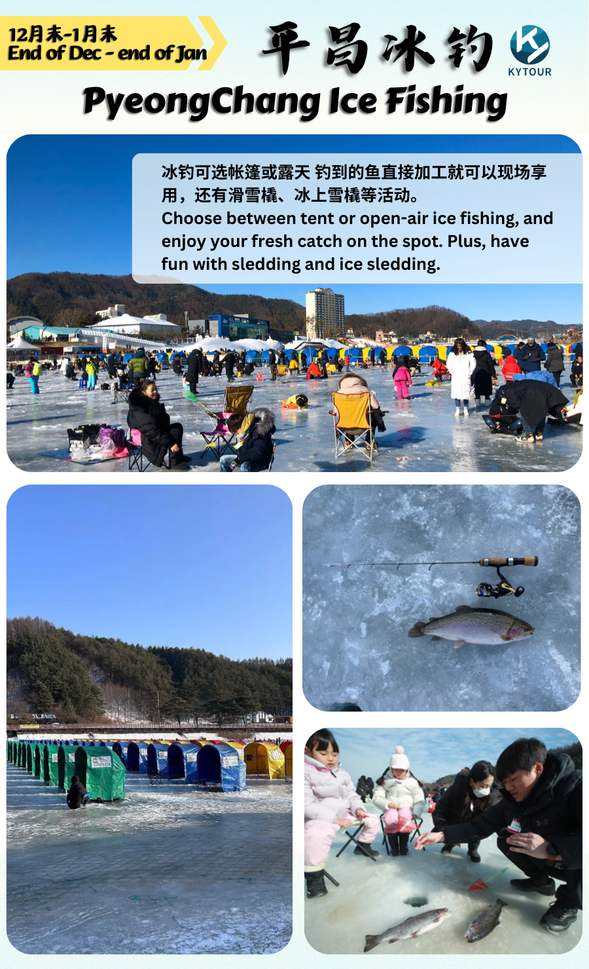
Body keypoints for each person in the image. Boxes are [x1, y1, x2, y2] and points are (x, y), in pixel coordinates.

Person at [416, 738, 581, 935]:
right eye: (505, 782)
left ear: (537, 768)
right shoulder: (511, 801)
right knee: (507, 839)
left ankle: (569, 902)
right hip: (547, 858)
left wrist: (553, 851)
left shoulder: (576, 786)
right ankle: (540, 881)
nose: (508, 787)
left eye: (513, 779)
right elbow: (479, 825)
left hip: (572, 862)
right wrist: (443, 835)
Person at [304, 729, 380, 898]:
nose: (330, 758)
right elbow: (306, 803)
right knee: (315, 835)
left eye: (335, 754)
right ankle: (314, 880)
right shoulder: (305, 771)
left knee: (373, 819)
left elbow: (352, 795)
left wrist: (358, 809)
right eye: (323, 753)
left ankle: (363, 846)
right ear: (308, 751)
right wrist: (335, 819)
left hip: (344, 813)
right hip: (321, 817)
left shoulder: (343, 774)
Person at [432, 761, 499, 863]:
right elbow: (439, 811)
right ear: (472, 781)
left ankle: (473, 849)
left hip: (475, 827)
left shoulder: (492, 794)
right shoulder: (456, 789)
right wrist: (448, 833)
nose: (486, 790)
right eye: (482, 786)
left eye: (489, 786)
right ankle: (449, 843)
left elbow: (494, 818)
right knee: (441, 834)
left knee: (479, 824)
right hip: (455, 822)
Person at [372, 745, 425, 856]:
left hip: (406, 808)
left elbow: (419, 800)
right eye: (396, 769)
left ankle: (403, 846)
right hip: (390, 808)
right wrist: (388, 804)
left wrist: (416, 813)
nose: (399, 772)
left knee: (405, 815)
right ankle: (394, 847)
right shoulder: (385, 780)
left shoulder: (412, 782)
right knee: (391, 816)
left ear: (407, 769)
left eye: (402, 769)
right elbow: (377, 797)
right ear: (391, 768)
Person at [127, 379, 191, 468]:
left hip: (154, 434)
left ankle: (178, 456)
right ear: (144, 392)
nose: (155, 392)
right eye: (152, 390)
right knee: (175, 431)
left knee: (177, 427)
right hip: (148, 441)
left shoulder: (149, 402)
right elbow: (152, 431)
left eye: (156, 389)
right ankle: (174, 463)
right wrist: (170, 443)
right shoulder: (141, 408)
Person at [501, 379, 569, 443]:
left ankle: (527, 435)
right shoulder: (516, 385)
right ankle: (539, 433)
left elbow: (517, 405)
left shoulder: (508, 390)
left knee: (523, 411)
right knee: (542, 409)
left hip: (535, 393)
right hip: (545, 390)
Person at [332, 372, 385, 450]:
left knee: (347, 416)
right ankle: (369, 441)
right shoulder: (366, 392)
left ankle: (348, 440)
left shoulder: (338, 394)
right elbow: (376, 407)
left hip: (344, 427)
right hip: (364, 426)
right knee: (373, 415)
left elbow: (336, 413)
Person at [219, 407, 276, 472]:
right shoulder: (245, 429)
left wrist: (238, 460)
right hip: (245, 458)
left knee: (245, 466)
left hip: (260, 461)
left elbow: (258, 454)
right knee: (223, 460)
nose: (237, 435)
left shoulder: (260, 432)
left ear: (241, 426)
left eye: (237, 433)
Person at [447, 338, 475, 416]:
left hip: (465, 375)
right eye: (457, 345)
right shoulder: (452, 354)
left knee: (466, 394)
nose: (459, 347)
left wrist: (470, 371)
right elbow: (449, 363)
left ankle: (466, 409)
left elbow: (473, 362)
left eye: (460, 345)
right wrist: (452, 371)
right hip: (456, 375)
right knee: (457, 394)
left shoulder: (469, 353)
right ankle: (457, 409)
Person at [472, 339, 496, 406]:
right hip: (486, 373)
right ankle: (487, 402)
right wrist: (493, 374)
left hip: (476, 372)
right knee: (487, 388)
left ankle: (477, 401)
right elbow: (490, 364)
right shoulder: (486, 354)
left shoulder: (473, 353)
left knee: (477, 387)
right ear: (484, 345)